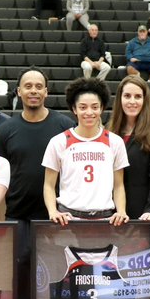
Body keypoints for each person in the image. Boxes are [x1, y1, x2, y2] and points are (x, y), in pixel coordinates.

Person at [0, 68, 77, 299]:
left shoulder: (63, 125)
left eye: (38, 86)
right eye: (27, 86)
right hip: (19, 214)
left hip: (57, 214)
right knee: (22, 269)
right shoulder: (7, 129)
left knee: (57, 272)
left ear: (46, 92)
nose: (33, 91)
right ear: (19, 92)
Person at [43, 77, 129, 225]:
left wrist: (121, 211)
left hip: (105, 218)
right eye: (83, 107)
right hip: (68, 218)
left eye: (95, 107)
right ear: (74, 109)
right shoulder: (59, 141)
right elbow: (49, 185)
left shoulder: (115, 142)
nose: (89, 112)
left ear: (102, 108)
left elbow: (119, 184)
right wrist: (53, 211)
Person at [107, 75, 150, 221]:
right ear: (120, 99)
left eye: (138, 96)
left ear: (144, 100)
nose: (132, 101)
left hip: (142, 212)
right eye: (127, 96)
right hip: (111, 211)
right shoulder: (109, 129)